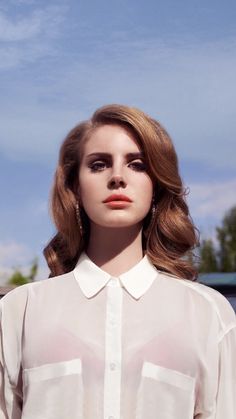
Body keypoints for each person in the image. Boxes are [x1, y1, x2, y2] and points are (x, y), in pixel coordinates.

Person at [0, 104, 235, 419]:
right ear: (74, 186)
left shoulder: (208, 314)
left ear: (156, 186)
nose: (118, 177)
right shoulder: (20, 311)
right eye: (99, 164)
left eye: (137, 165)